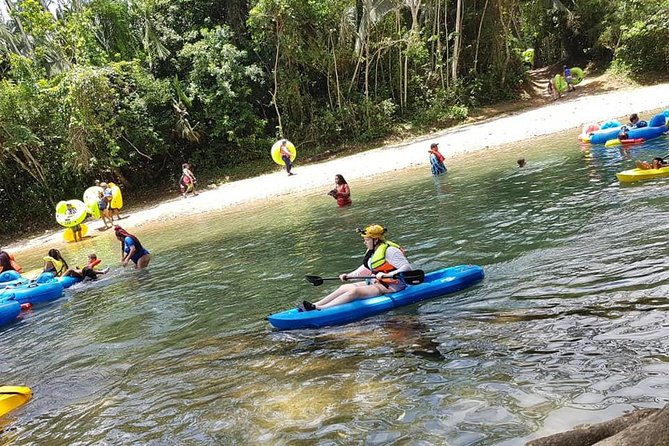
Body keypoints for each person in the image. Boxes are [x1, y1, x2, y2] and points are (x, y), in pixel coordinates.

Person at [299, 224, 412, 311]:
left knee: (355, 291)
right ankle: (316, 304)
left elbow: (406, 267)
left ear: (376, 240)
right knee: (344, 287)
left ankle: (321, 309)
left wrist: (387, 275)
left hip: (393, 285)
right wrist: (349, 276)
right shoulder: (373, 251)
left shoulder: (390, 250)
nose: (364, 242)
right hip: (377, 281)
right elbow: (365, 268)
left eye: (367, 240)